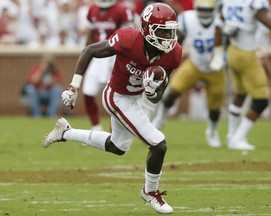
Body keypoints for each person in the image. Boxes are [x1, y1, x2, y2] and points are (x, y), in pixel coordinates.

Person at [42, 3, 182, 214]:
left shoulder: (173, 54)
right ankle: (150, 192)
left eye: (171, 30)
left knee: (118, 147)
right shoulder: (128, 39)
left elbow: (158, 94)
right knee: (158, 144)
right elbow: (89, 50)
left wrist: (153, 91)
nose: (168, 36)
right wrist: (74, 86)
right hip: (117, 96)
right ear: (147, 29)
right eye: (162, 31)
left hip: (137, 100)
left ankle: (66, 133)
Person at [152, 0, 225, 148]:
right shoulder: (187, 18)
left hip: (216, 68)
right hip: (195, 63)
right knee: (172, 92)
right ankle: (160, 119)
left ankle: (212, 131)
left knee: (215, 107)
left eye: (207, 10)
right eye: (202, 10)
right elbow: (179, 37)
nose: (204, 13)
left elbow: (227, 41)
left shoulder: (220, 21)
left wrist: (220, 56)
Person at [220, 0, 271, 150]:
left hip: (232, 50)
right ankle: (238, 138)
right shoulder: (254, 2)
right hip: (246, 53)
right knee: (262, 99)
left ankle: (231, 134)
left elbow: (223, 20)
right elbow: (267, 22)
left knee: (240, 94)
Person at [82, 0, 135, 131]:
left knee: (116, 94)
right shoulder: (93, 9)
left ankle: (114, 131)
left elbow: (129, 35)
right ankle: (96, 127)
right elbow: (91, 33)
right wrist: (86, 52)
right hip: (97, 55)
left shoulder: (123, 10)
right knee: (88, 91)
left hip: (115, 55)